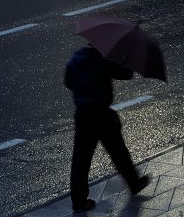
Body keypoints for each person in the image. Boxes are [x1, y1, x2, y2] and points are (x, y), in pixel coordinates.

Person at [64, 45, 149, 212]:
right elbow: (126, 74)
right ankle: (134, 183)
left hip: (82, 114)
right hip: (102, 114)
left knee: (81, 159)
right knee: (118, 152)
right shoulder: (103, 59)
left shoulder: (77, 57)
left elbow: (68, 82)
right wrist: (126, 56)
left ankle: (79, 201)